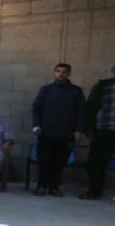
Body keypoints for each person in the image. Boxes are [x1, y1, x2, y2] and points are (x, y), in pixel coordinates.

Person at [31, 63, 86, 197]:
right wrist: (36, 125)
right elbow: (36, 108)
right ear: (54, 73)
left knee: (59, 162)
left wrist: (79, 130)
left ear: (69, 74)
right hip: (45, 132)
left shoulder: (76, 91)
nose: (61, 74)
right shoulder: (46, 89)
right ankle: (41, 186)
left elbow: (82, 112)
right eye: (58, 71)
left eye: (64, 71)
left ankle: (54, 187)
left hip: (66, 134)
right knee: (44, 161)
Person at [80, 62, 115, 200]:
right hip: (103, 130)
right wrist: (88, 128)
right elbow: (89, 108)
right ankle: (94, 192)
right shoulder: (101, 86)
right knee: (95, 163)